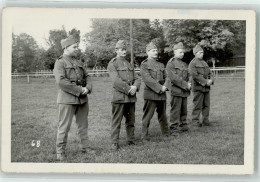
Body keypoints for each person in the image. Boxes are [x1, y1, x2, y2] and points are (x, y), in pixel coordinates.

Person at [53, 35, 93, 161]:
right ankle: (60, 151)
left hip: (82, 100)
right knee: (64, 126)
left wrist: (88, 88)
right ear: (66, 48)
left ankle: (85, 147)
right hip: (67, 100)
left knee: (83, 125)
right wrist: (80, 90)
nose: (77, 49)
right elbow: (61, 82)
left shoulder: (78, 62)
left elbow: (88, 77)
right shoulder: (60, 62)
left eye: (77, 46)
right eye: (74, 47)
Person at [107, 40, 141, 151]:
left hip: (131, 97)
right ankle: (114, 142)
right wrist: (128, 89)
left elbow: (137, 78)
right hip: (119, 97)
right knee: (116, 121)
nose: (124, 51)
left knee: (131, 120)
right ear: (116, 50)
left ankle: (131, 140)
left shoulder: (129, 63)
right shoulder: (112, 63)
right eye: (122, 49)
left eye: (125, 49)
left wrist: (135, 87)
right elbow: (115, 81)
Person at [140, 42, 169, 140]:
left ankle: (166, 133)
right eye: (153, 51)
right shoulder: (144, 64)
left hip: (162, 94)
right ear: (147, 52)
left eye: (156, 50)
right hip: (151, 94)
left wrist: (165, 86)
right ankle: (144, 135)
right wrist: (160, 88)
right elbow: (148, 80)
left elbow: (167, 77)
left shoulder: (161, 64)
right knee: (148, 115)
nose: (156, 52)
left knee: (163, 115)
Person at [166, 42, 191, 135]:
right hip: (176, 91)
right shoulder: (171, 64)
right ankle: (173, 128)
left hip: (184, 91)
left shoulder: (184, 64)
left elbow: (189, 74)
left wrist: (190, 82)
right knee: (175, 110)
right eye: (180, 52)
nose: (182, 54)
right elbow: (174, 78)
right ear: (175, 52)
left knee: (184, 109)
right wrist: (186, 84)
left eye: (183, 52)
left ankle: (183, 125)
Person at [188, 44, 214, 127]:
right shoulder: (192, 63)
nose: (202, 54)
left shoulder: (204, 62)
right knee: (197, 105)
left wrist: (211, 80)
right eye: (200, 53)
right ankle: (195, 121)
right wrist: (206, 81)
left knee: (206, 105)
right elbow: (195, 76)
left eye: (202, 52)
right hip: (198, 88)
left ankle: (205, 120)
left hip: (206, 88)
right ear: (195, 53)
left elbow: (210, 73)